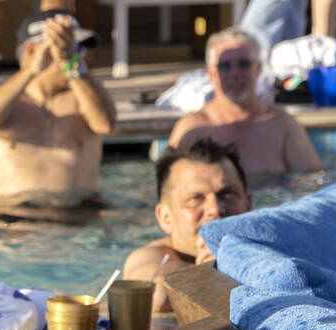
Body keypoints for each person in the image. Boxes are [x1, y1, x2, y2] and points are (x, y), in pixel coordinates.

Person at [0, 9, 116, 220]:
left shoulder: (85, 93)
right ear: (31, 50)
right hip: (8, 224)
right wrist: (31, 70)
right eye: (70, 48)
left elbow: (105, 124)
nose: (78, 58)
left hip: (78, 221)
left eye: (78, 50)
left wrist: (69, 64)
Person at [167, 27, 321, 179]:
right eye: (225, 66)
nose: (235, 74)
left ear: (258, 69)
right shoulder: (193, 130)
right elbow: (171, 191)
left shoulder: (283, 125)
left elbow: (313, 186)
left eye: (243, 64)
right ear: (211, 73)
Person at [122, 138, 252, 311]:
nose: (215, 209)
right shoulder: (149, 258)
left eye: (227, 194)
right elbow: (157, 297)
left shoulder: (271, 248)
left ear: (248, 205)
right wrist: (211, 272)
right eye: (195, 198)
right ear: (165, 217)